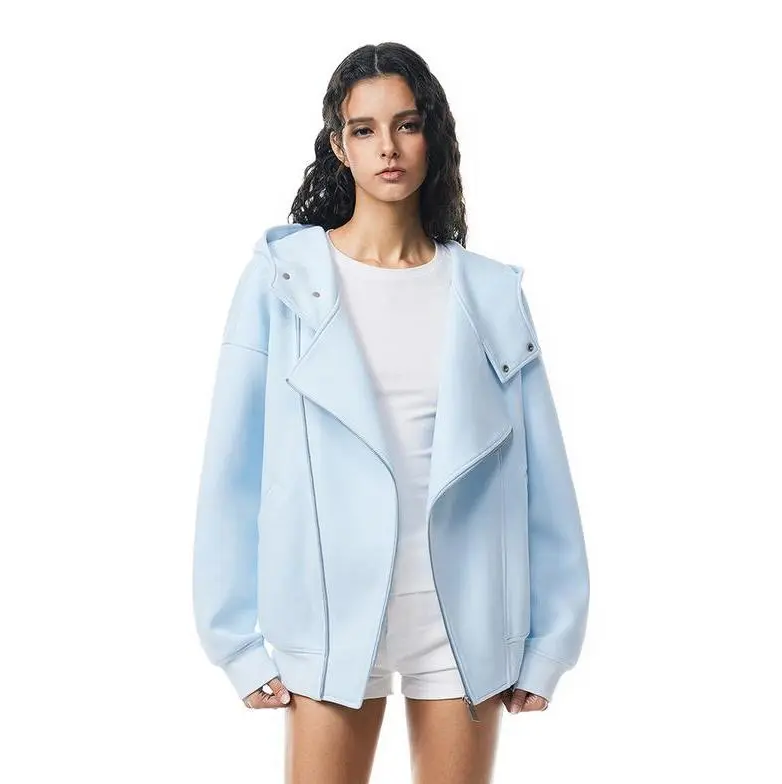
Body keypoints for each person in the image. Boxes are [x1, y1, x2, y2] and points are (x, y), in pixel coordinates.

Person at [192, 42, 590, 784]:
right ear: (338, 145)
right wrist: (235, 643)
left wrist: (551, 640)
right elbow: (231, 470)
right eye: (365, 129)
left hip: (464, 616)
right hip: (328, 610)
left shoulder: (490, 291)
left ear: (431, 135)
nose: (388, 148)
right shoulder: (283, 282)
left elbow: (542, 474)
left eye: (406, 124)